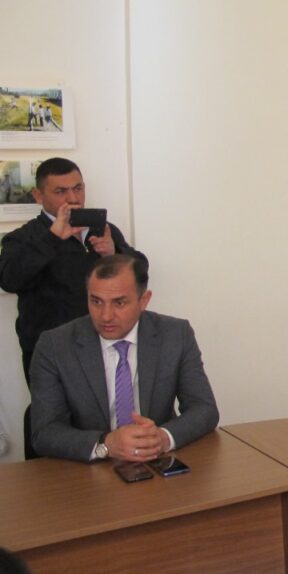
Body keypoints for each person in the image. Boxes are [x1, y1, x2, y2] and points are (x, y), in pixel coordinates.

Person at [30, 255, 219, 462]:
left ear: (144, 300)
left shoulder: (176, 334)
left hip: (155, 462)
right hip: (87, 468)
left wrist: (163, 438)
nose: (106, 316)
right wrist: (106, 445)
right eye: (96, 301)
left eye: (119, 303)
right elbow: (44, 432)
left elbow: (204, 409)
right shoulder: (54, 346)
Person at [0, 157, 146, 384]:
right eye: (61, 191)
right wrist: (52, 238)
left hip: (105, 344)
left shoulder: (104, 230)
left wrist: (113, 253)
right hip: (51, 352)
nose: (73, 198)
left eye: (78, 188)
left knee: (110, 404)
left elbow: (141, 272)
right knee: (53, 407)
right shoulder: (23, 237)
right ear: (38, 196)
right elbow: (9, 279)